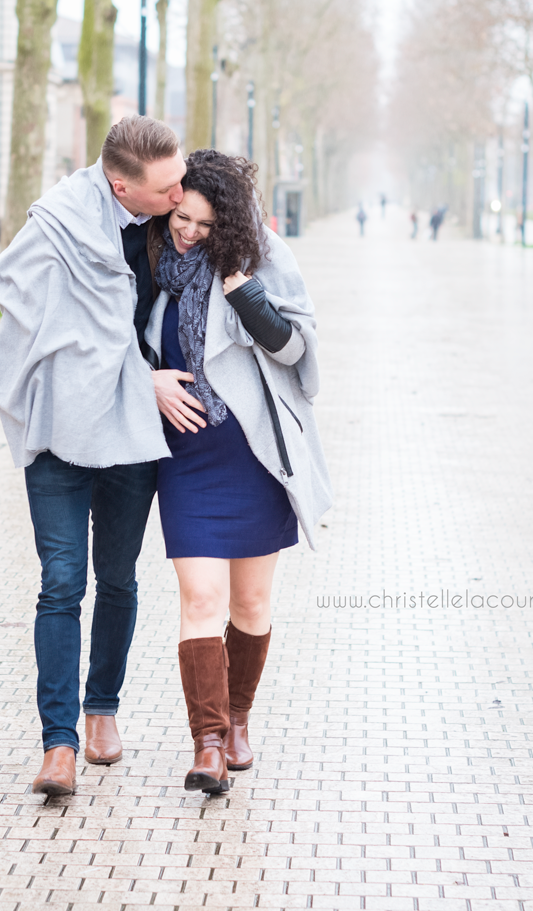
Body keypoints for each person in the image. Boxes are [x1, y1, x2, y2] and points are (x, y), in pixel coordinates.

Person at [0, 117, 189, 798]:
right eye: (166, 186)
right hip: (62, 422)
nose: (178, 192)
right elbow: (36, 315)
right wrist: (138, 375)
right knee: (61, 582)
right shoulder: (59, 224)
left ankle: (102, 709)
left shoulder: (173, 223)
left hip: (132, 432)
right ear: (120, 184)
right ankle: (58, 744)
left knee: (119, 578)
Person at [145, 150, 332, 795]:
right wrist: (149, 383)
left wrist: (243, 292)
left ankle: (240, 719)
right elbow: (129, 339)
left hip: (252, 453)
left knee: (250, 602)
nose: (187, 231)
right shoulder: (152, 259)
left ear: (224, 223)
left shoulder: (264, 256)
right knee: (200, 599)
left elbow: (295, 349)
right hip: (187, 457)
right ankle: (208, 742)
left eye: (200, 223)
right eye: (181, 216)